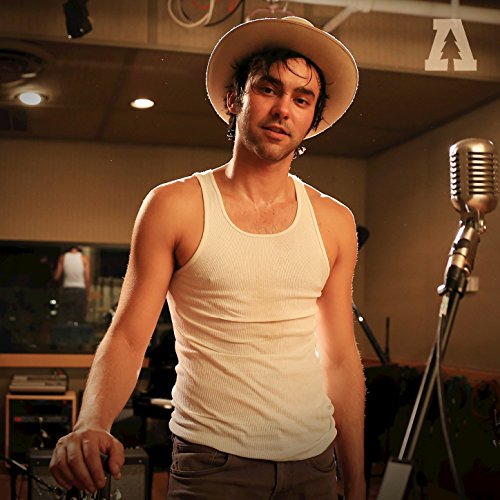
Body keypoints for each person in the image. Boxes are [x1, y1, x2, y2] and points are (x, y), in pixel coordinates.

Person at [50, 16, 366, 499]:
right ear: (234, 99)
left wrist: (357, 481)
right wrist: (92, 422)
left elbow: (341, 359)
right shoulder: (174, 206)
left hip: (314, 467)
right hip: (212, 466)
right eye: (268, 89)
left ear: (312, 121)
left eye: (302, 100)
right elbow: (128, 336)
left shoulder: (335, 220)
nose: (283, 109)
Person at [53, 246, 90, 324]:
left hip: (67, 288)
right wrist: (87, 292)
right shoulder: (84, 258)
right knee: (79, 315)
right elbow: (87, 278)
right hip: (80, 288)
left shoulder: (63, 257)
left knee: (65, 315)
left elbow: (57, 276)